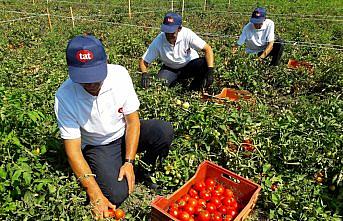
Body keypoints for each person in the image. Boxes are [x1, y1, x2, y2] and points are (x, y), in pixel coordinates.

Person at [54, 35, 173, 220]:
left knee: (162, 130)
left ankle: (143, 169)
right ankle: (108, 166)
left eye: (95, 76)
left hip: (123, 132)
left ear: (105, 63)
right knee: (116, 194)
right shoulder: (64, 96)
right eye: (84, 79)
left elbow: (133, 122)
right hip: (99, 145)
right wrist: (94, 193)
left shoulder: (119, 75)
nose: (91, 84)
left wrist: (129, 162)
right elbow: (73, 151)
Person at [139, 12, 214, 91]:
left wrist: (210, 71)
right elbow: (143, 61)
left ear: (179, 29)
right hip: (170, 68)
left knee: (204, 64)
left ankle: (193, 89)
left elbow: (208, 49)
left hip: (188, 65)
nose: (169, 35)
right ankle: (176, 81)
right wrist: (144, 73)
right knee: (160, 85)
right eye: (167, 32)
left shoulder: (187, 34)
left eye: (172, 32)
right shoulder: (159, 40)